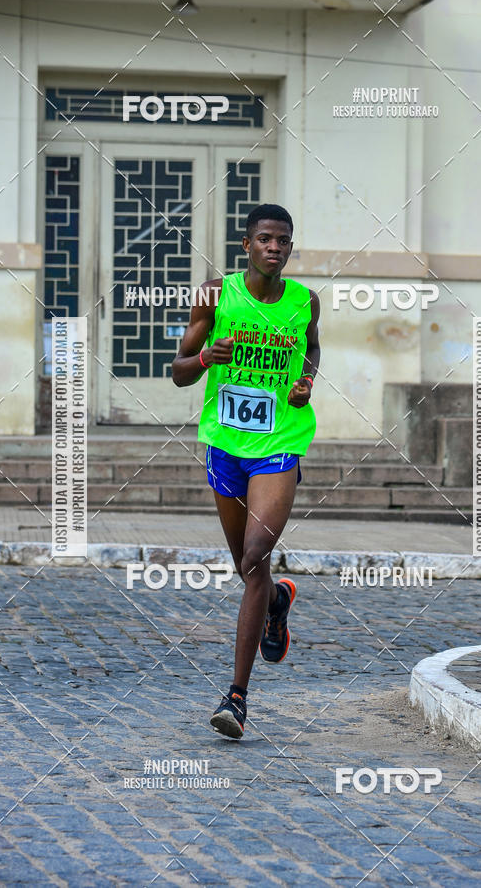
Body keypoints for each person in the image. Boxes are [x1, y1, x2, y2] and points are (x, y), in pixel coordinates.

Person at [171, 203, 320, 738]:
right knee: (247, 568)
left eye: (282, 240)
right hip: (226, 445)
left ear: (289, 247)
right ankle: (277, 600)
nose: (274, 248)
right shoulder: (215, 295)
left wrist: (304, 386)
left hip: (279, 442)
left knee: (256, 554)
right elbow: (178, 373)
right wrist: (207, 358)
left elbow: (311, 351)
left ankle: (236, 698)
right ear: (246, 245)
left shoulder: (305, 301)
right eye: (264, 239)